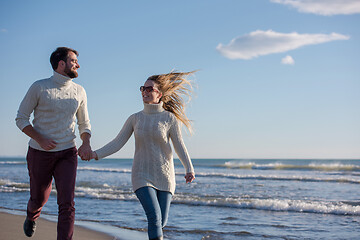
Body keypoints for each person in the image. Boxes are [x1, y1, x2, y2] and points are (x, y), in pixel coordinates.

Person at [91, 71, 196, 240]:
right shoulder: (135, 118)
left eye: (149, 89)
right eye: (142, 89)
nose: (145, 92)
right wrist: (95, 154)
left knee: (161, 221)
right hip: (141, 175)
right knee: (154, 218)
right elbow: (117, 143)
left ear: (159, 94)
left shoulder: (169, 118)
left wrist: (189, 168)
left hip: (165, 176)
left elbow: (179, 146)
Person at [15, 47, 92, 240]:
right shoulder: (39, 87)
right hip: (39, 152)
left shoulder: (79, 91)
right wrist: (40, 138)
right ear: (61, 63)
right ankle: (32, 216)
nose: (78, 65)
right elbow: (21, 118)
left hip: (67, 152)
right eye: (74, 61)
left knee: (67, 203)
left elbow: (84, 123)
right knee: (38, 198)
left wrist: (86, 142)